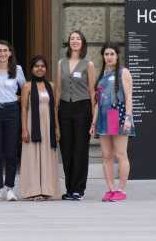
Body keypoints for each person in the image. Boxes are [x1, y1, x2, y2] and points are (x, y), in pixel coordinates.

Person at [91, 43, 135, 202]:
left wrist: (128, 118)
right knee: (106, 155)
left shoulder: (123, 72)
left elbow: (129, 96)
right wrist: (93, 123)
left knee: (120, 153)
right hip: (104, 116)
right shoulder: (102, 74)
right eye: (106, 54)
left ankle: (121, 190)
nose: (109, 57)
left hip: (117, 114)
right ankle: (110, 189)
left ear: (117, 56)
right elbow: (97, 102)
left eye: (112, 54)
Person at [55, 30, 96, 201]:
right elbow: (58, 89)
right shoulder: (61, 63)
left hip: (82, 108)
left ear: (82, 43)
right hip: (65, 107)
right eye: (72, 38)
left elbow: (92, 91)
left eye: (78, 39)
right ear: (68, 42)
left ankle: (79, 189)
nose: (75, 41)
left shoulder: (88, 64)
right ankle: (69, 188)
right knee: (66, 149)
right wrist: (55, 113)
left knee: (80, 149)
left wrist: (94, 119)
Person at [0, 40, 26, 202]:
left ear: (10, 53)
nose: (2, 53)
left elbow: (25, 89)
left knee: (10, 151)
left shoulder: (17, 70)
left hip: (12, 111)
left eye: (5, 50)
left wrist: (17, 98)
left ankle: (10, 188)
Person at [19, 56, 62, 200]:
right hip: (33, 126)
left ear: (46, 69)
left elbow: (54, 108)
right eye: (36, 66)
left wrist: (56, 128)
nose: (40, 69)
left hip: (48, 126)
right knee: (33, 156)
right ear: (31, 69)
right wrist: (24, 129)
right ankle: (33, 190)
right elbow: (24, 109)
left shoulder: (51, 85)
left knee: (47, 156)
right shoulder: (27, 86)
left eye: (42, 66)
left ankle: (47, 190)